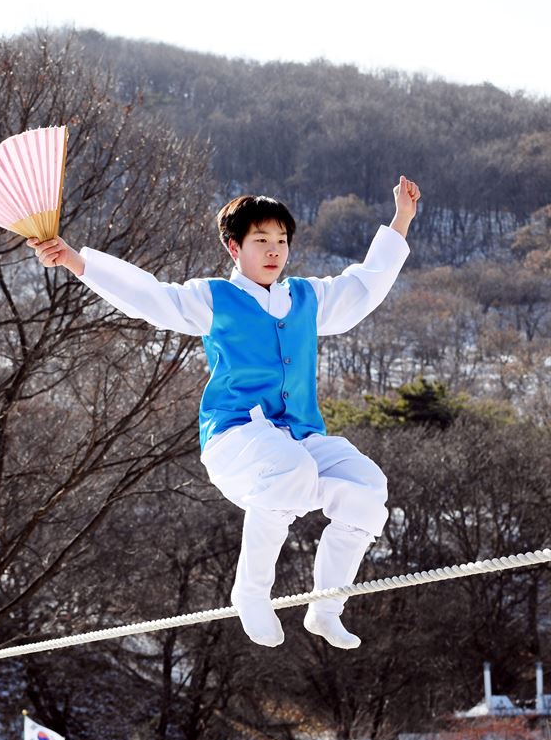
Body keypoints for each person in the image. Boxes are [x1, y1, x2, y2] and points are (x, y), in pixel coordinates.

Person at [28, 175, 420, 649]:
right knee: (293, 470)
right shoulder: (215, 298)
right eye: (261, 241)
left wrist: (400, 220)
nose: (274, 251)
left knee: (367, 485)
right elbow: (151, 297)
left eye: (281, 241)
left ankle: (327, 606)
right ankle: (251, 594)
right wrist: (76, 260)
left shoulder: (305, 298)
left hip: (298, 438)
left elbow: (363, 287)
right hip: (237, 440)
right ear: (234, 248)